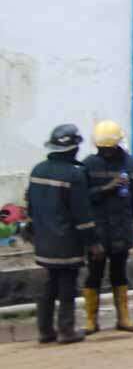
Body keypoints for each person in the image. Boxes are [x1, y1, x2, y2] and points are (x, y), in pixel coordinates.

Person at [26, 124, 102, 344]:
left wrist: (33, 230)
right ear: (73, 149)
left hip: (43, 239)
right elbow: (82, 214)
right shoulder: (74, 175)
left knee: (49, 285)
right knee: (67, 285)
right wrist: (93, 242)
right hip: (67, 240)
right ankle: (66, 330)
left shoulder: (37, 170)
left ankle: (45, 330)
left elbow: (31, 206)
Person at [81, 120, 133, 334]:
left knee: (119, 274)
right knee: (94, 274)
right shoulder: (88, 166)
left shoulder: (132, 166)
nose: (105, 152)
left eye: (108, 148)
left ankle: (124, 318)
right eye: (102, 148)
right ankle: (91, 321)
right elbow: (82, 199)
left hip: (121, 230)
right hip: (98, 232)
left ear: (117, 144)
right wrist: (106, 188)